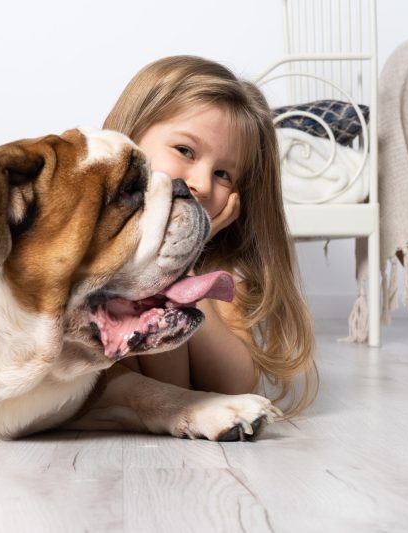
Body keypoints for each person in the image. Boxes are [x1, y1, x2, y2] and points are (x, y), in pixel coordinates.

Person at [103, 55, 317, 415]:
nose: (201, 184)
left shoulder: (223, 270)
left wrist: (182, 264)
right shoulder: (87, 249)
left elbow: (231, 385)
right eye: (185, 151)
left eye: (223, 175)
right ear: (129, 137)